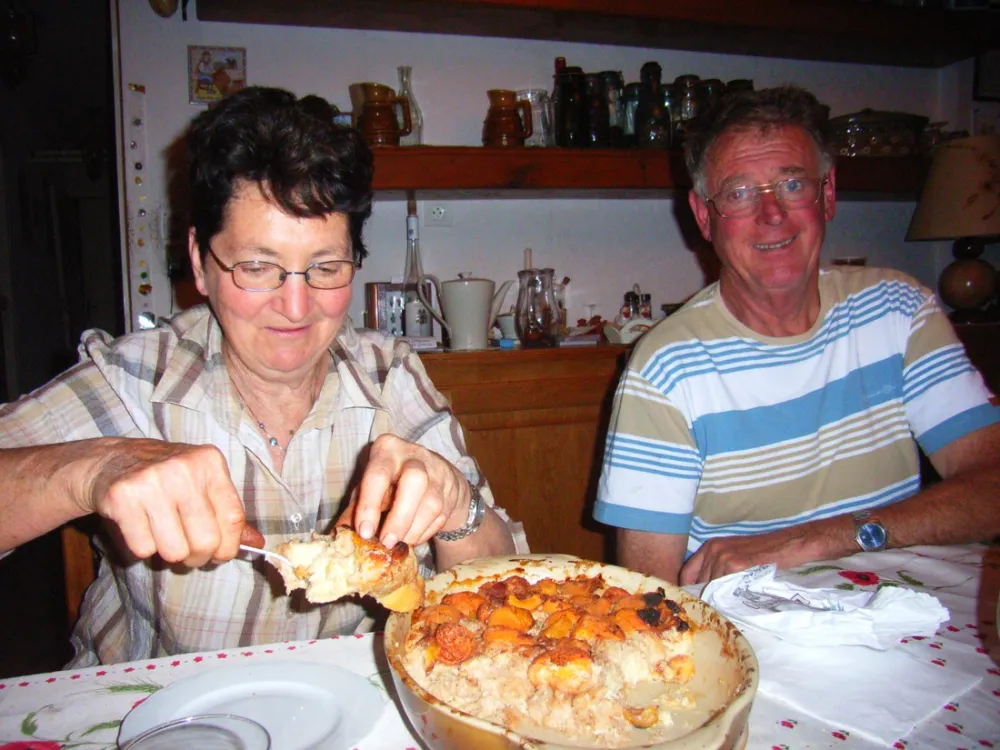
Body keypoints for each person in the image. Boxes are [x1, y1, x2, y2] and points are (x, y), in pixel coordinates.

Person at [0, 86, 526, 667]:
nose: (296, 308)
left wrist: (458, 507)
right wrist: (92, 468)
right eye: (257, 267)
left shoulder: (389, 374)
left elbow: (502, 580)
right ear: (201, 261)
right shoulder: (134, 380)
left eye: (326, 268)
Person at [594, 85, 1000, 586]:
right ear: (705, 217)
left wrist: (821, 538)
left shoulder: (898, 311)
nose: (771, 214)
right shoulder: (665, 369)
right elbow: (648, 596)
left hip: (908, 624)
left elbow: (992, 486)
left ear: (827, 195)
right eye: (739, 193)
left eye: (791, 185)